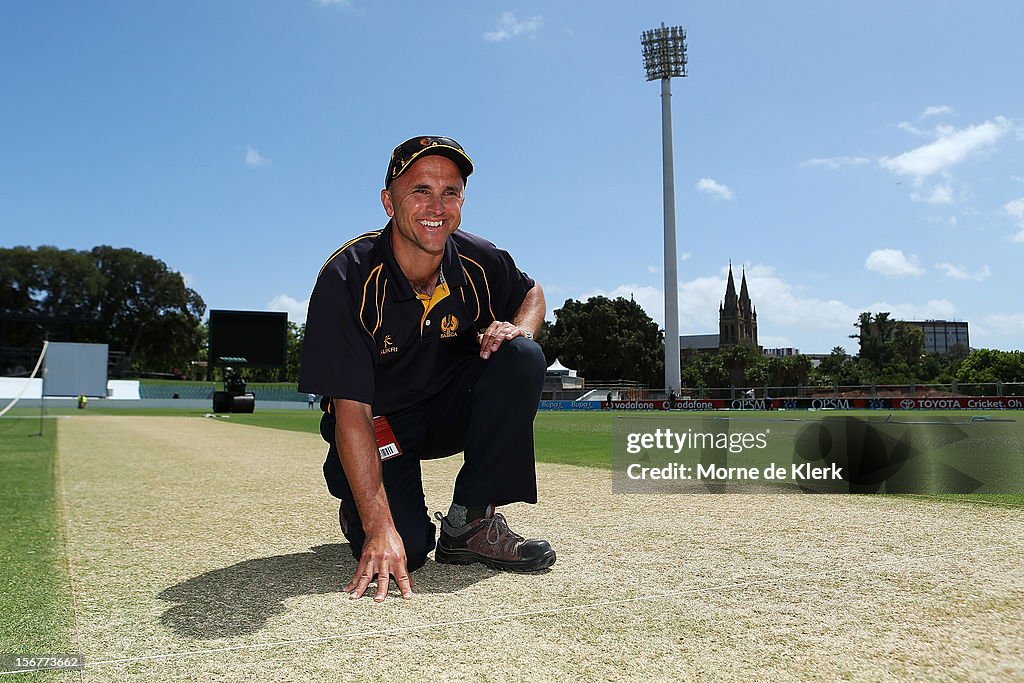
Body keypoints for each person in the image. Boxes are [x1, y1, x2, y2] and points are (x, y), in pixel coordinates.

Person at [298, 135, 555, 603]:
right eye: (420, 190)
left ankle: (469, 524)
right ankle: (358, 505)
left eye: (450, 192)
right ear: (388, 201)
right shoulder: (347, 277)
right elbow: (351, 411)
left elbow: (532, 293)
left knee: (521, 356)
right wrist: (379, 527)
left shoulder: (478, 259)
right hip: (379, 424)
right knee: (410, 548)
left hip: (446, 410)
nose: (436, 206)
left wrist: (518, 329)